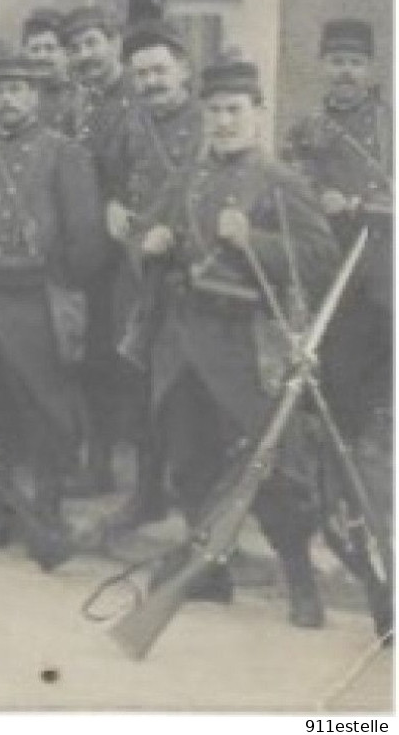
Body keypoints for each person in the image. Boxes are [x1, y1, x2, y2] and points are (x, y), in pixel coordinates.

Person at [131, 56, 339, 627]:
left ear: (257, 113)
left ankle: (299, 581)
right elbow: (156, 239)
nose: (222, 121)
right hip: (183, 344)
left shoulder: (279, 181)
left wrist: (259, 240)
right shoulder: (188, 178)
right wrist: (152, 242)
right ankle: (209, 573)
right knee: (189, 463)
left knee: (273, 467)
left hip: (247, 346)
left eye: (233, 110)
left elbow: (321, 259)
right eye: (214, 110)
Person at [0, 44, 108, 563]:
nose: (7, 101)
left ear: (36, 96)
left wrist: (40, 266)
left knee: (45, 410)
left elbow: (86, 242)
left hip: (36, 302)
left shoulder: (64, 153)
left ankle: (47, 508)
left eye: (17, 89)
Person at [98, 20, 204, 529]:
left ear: (183, 68)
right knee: (137, 384)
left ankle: (198, 504)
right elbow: (109, 176)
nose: (152, 82)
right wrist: (112, 205)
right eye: (141, 74)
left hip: (190, 277)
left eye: (160, 70)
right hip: (137, 273)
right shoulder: (127, 122)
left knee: (186, 392)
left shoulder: (212, 121)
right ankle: (146, 493)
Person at [283, 18, 392, 442]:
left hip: (382, 261)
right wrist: (317, 197)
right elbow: (288, 188)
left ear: (370, 68)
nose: (345, 71)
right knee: (333, 357)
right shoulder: (305, 128)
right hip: (328, 260)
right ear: (322, 65)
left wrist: (359, 204)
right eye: (337, 61)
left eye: (355, 62)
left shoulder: (389, 124)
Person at [58, 4, 139, 497]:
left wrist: (119, 203)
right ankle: (98, 458)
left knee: (122, 355)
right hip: (84, 247)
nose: (85, 55)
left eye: (93, 43)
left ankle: (144, 473)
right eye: (76, 47)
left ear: (114, 41)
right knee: (87, 354)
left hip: (125, 248)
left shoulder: (137, 98)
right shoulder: (77, 103)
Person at [21, 9, 77, 132]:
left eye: (50, 48)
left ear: (66, 51)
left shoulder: (80, 96)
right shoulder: (19, 97)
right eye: (35, 49)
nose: (42, 56)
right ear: (25, 53)